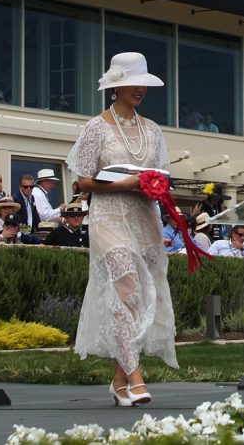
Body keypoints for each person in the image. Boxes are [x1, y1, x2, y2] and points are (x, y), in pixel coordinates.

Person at [68, 51, 178, 407]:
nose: (139, 90)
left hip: (144, 218)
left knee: (135, 298)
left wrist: (154, 186)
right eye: (133, 83)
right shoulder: (95, 127)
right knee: (125, 283)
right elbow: (82, 180)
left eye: (143, 84)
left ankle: (119, 383)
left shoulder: (153, 130)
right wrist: (125, 184)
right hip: (108, 216)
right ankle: (135, 376)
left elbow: (161, 176)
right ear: (116, 86)